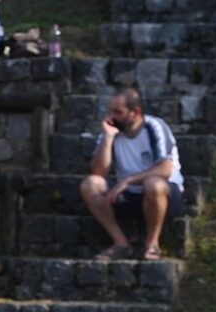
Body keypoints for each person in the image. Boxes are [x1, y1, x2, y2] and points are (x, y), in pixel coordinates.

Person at [79, 85, 185, 261]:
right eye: (110, 111)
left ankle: (152, 244)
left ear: (134, 112)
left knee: (153, 184)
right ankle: (120, 243)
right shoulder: (111, 130)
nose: (111, 117)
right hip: (129, 196)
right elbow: (98, 172)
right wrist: (108, 138)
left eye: (118, 112)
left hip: (163, 194)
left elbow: (165, 169)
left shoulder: (154, 127)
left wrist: (128, 181)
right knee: (90, 185)